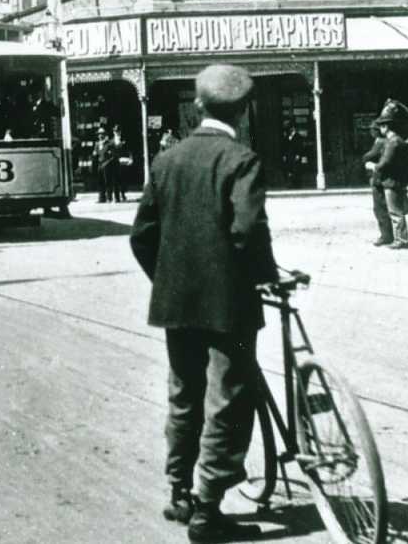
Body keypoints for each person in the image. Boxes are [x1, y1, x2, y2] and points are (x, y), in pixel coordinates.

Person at [129, 65, 278, 541]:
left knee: (184, 394)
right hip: (227, 306)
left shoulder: (167, 159)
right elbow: (248, 231)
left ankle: (178, 493)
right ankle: (208, 510)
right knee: (229, 399)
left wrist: (171, 279)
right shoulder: (241, 159)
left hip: (177, 303)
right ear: (245, 109)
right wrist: (261, 279)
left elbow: (142, 235)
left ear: (198, 107)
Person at [366, 104, 408, 250]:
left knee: (395, 212)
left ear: (386, 126)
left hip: (392, 181)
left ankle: (401, 240)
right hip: (394, 180)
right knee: (394, 211)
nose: (380, 129)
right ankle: (398, 238)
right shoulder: (396, 141)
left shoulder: (393, 142)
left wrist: (372, 166)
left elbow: (385, 163)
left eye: (381, 126)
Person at [95, 127, 116, 203]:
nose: (100, 136)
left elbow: (112, 155)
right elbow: (96, 154)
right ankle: (101, 198)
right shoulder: (97, 144)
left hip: (107, 164)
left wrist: (107, 162)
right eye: (99, 134)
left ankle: (109, 198)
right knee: (100, 182)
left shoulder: (109, 144)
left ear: (105, 135)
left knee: (108, 182)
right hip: (100, 164)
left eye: (102, 134)